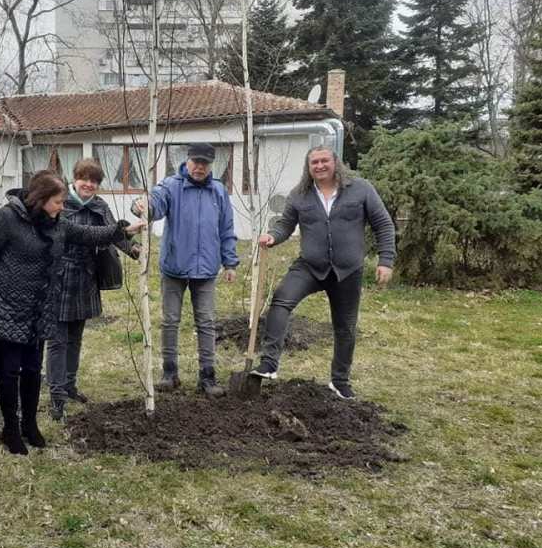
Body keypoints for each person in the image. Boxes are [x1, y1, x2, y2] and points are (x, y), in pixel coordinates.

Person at [0, 170, 144, 455]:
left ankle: (30, 424)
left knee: (34, 368)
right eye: (58, 202)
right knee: (10, 370)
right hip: (8, 305)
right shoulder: (8, 218)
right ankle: (10, 428)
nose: (63, 207)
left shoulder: (58, 222)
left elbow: (87, 234)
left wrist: (121, 231)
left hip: (41, 306)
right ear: (40, 199)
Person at [251, 146, 396, 399]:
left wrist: (386, 259)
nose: (319, 166)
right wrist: (273, 236)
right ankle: (269, 363)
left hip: (348, 270)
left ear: (335, 162)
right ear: (309, 168)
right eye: (314, 162)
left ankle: (340, 381)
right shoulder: (300, 195)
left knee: (345, 327)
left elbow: (383, 223)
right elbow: (285, 225)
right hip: (310, 266)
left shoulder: (361, 189)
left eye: (324, 161)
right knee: (281, 299)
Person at [132, 142, 239, 397]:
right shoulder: (171, 186)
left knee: (206, 322)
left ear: (211, 165)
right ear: (187, 160)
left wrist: (230, 262)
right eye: (196, 162)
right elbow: (155, 204)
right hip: (175, 267)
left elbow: (226, 229)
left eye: (205, 163)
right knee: (170, 322)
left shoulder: (219, 191)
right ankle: (170, 374)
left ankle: (207, 377)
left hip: (206, 270)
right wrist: (143, 206)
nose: (199, 167)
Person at [46, 159, 141, 421]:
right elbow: (79, 233)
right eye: (84, 179)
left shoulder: (99, 206)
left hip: (86, 278)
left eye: (95, 181)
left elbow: (114, 233)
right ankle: (56, 396)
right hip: (58, 278)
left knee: (76, 338)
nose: (89, 185)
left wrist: (134, 249)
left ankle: (69, 385)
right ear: (74, 179)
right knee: (57, 341)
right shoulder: (60, 203)